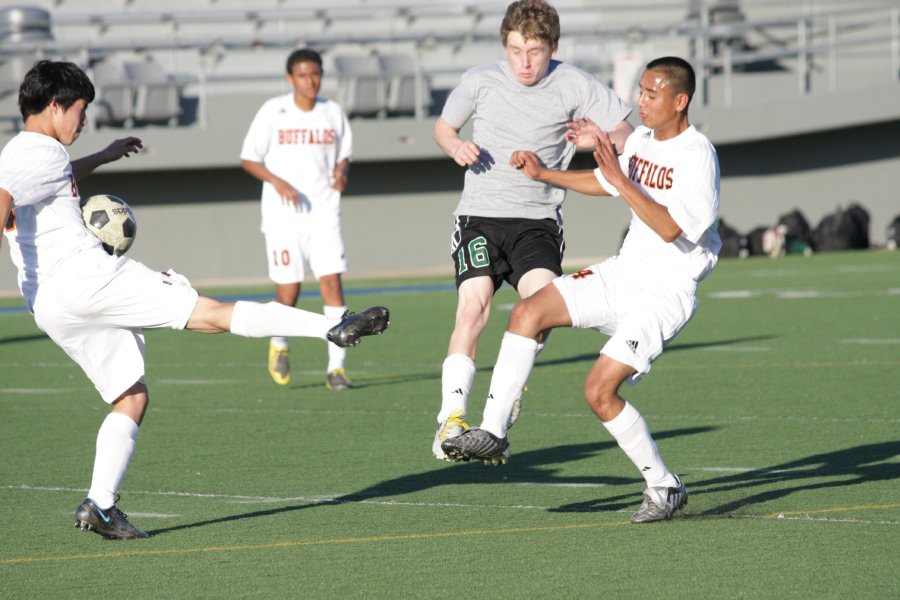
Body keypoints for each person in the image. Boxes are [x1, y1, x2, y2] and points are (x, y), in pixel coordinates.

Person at [0, 60, 389, 540]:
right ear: (56, 106)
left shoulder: (34, 155)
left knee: (131, 396)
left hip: (48, 302)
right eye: (81, 109)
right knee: (208, 312)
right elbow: (5, 194)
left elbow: (49, 179)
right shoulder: (36, 150)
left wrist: (102, 156)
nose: (84, 120)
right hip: (87, 276)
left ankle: (100, 505)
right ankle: (330, 327)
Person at [441, 56, 721, 524]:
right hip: (624, 272)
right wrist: (543, 175)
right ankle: (493, 430)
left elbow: (670, 228)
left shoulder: (697, 154)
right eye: (640, 90)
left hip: (665, 292)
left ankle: (664, 485)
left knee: (599, 392)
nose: (641, 101)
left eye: (652, 94)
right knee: (527, 312)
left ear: (680, 101)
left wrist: (620, 180)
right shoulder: (643, 141)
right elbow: (604, 181)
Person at [431, 0, 633, 459]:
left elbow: (626, 135)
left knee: (541, 311)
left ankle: (506, 395)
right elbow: (443, 128)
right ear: (505, 45)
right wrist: (455, 145)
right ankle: (451, 420)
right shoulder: (480, 79)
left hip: (538, 222)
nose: (524, 62)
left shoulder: (576, 84)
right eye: (516, 50)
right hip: (479, 217)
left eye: (535, 51)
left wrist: (600, 139)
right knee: (472, 309)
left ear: (552, 48)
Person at [240, 48, 355, 390]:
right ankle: (279, 343)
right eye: (303, 75)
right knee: (288, 293)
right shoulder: (273, 111)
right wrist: (277, 182)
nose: (310, 81)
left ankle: (336, 369)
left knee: (332, 285)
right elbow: (249, 159)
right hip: (283, 218)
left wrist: (341, 171)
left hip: (324, 213)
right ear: (290, 78)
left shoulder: (332, 112)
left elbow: (344, 155)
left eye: (315, 73)